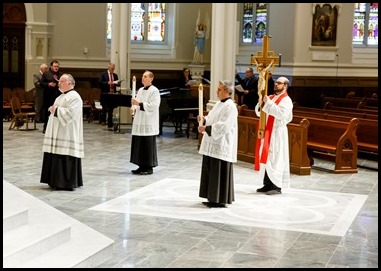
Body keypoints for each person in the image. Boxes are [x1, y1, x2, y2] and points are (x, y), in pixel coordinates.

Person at [40, 73, 84, 191]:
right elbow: (56, 109)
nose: (58, 82)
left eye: (62, 81)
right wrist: (53, 109)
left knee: (64, 154)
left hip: (67, 133)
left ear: (70, 83)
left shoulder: (75, 97)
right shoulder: (60, 96)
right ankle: (54, 180)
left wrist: (57, 110)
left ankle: (65, 182)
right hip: (58, 131)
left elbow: (71, 114)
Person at [198, 80, 238, 208]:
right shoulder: (218, 104)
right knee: (210, 169)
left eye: (219, 89)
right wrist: (204, 120)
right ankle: (211, 197)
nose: (217, 91)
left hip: (222, 143)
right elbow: (211, 118)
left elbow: (225, 125)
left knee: (219, 170)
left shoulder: (231, 106)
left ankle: (219, 199)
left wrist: (208, 129)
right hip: (213, 141)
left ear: (227, 91)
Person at [254, 76, 293, 195]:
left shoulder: (286, 100)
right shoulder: (271, 97)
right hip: (267, 132)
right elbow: (259, 113)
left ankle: (276, 186)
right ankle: (267, 184)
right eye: (276, 82)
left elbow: (281, 114)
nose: (276, 84)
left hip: (277, 133)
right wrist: (261, 103)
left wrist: (268, 103)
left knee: (276, 158)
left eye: (279, 83)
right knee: (266, 157)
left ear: (285, 86)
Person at [130, 70, 161, 175]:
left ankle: (148, 167)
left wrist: (139, 104)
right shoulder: (140, 90)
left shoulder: (154, 90)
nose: (143, 78)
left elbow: (154, 105)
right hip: (140, 120)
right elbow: (136, 103)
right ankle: (140, 165)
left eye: (146, 76)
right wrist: (133, 107)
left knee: (147, 144)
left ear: (151, 78)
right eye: (143, 76)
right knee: (139, 143)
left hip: (148, 121)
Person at [40, 60, 61, 133]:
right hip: (48, 96)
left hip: (57, 96)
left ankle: (55, 129)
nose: (56, 68)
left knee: (57, 112)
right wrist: (49, 84)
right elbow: (41, 83)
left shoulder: (60, 74)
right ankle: (45, 127)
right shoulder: (46, 74)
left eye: (57, 66)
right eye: (55, 66)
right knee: (47, 112)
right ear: (51, 66)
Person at [99, 63, 121, 128]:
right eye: (112, 68)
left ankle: (110, 123)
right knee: (104, 108)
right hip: (105, 94)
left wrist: (118, 83)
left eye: (113, 68)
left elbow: (117, 84)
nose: (113, 70)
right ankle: (103, 121)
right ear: (108, 68)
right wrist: (107, 83)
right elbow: (100, 83)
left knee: (111, 109)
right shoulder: (103, 74)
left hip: (112, 94)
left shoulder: (115, 75)